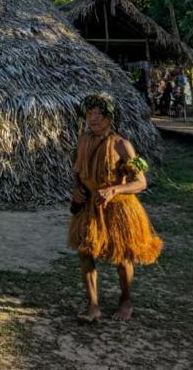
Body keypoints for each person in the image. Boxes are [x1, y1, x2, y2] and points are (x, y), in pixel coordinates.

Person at [69, 92, 162, 323]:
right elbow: (78, 172)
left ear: (110, 118)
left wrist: (114, 190)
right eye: (90, 114)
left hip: (118, 207)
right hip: (90, 205)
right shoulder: (82, 141)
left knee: (122, 257)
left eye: (99, 115)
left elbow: (141, 182)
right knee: (85, 253)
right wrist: (78, 190)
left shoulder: (122, 145)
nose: (94, 119)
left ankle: (126, 300)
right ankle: (93, 306)